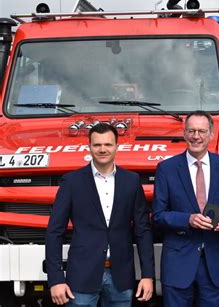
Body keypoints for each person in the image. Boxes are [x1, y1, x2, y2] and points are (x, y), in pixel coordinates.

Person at [45, 123, 155, 306]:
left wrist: (148, 275)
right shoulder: (72, 182)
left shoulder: (131, 181)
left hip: (121, 278)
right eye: (97, 145)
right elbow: (54, 232)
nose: (102, 149)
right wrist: (56, 279)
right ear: (89, 147)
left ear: (117, 147)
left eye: (108, 145)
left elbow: (143, 231)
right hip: (81, 277)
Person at [152, 110, 219, 307]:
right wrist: (188, 220)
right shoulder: (166, 168)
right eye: (191, 131)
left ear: (211, 134)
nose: (196, 136)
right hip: (178, 262)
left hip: (215, 261)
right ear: (184, 134)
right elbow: (158, 216)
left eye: (202, 131)